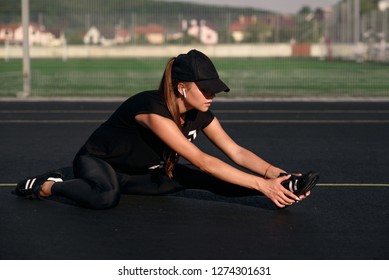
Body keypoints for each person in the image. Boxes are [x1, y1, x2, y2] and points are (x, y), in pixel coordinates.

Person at [14, 49, 318, 210]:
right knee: (106, 197)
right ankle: (49, 184)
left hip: (142, 174)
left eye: (215, 90)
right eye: (206, 89)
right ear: (182, 87)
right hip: (99, 163)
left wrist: (274, 176)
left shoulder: (200, 113)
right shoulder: (151, 109)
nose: (212, 96)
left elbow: (235, 151)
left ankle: (283, 189)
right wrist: (261, 185)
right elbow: (201, 159)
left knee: (206, 180)